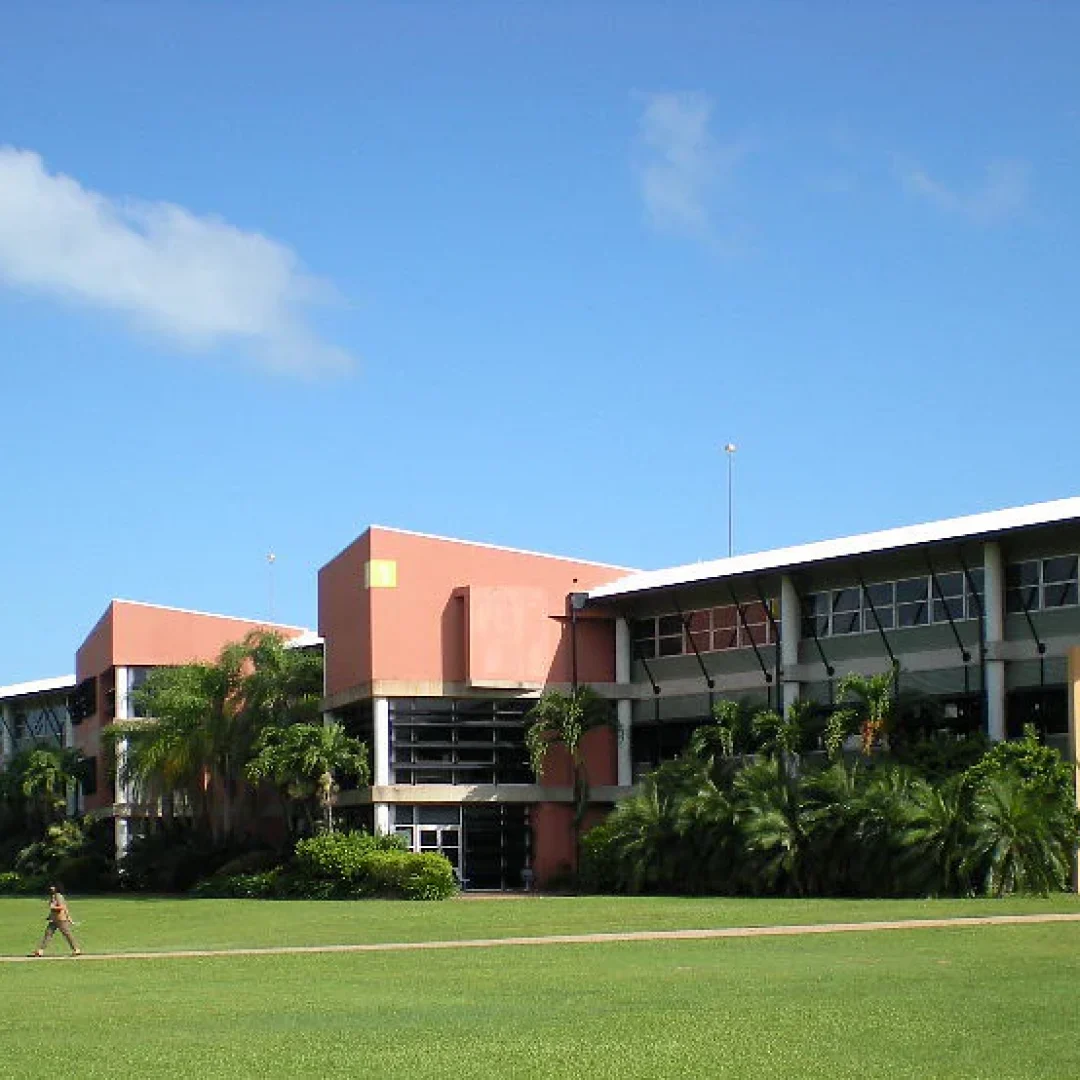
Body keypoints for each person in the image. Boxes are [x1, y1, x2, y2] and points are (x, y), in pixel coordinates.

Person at [32, 885, 81, 957]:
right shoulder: (53, 896)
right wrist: (49, 916)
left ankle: (76, 949)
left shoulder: (58, 896)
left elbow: (62, 907)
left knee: (67, 934)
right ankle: (40, 951)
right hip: (54, 920)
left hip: (61, 919)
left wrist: (53, 907)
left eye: (53, 887)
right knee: (48, 934)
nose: (51, 888)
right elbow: (58, 908)